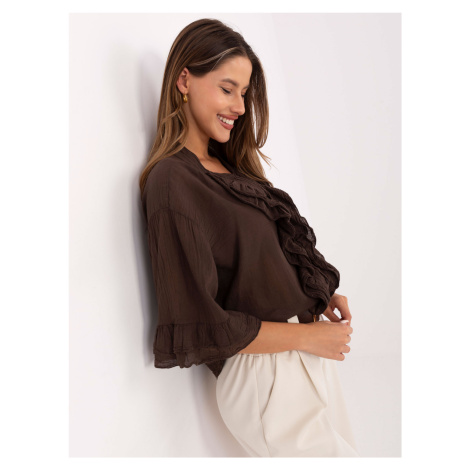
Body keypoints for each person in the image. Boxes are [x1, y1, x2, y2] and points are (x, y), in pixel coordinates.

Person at [139, 18, 359, 458]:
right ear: (184, 80)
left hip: (304, 355)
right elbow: (203, 324)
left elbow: (255, 260)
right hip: (266, 372)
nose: (240, 106)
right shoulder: (172, 181)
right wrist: (306, 338)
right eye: (227, 89)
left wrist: (311, 291)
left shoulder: (231, 169)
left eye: (244, 92)